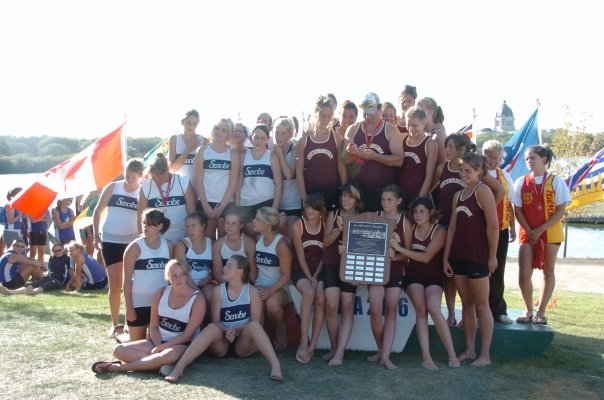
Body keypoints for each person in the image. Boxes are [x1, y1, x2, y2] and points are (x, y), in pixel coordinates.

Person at [164, 255, 283, 382]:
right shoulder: (218, 291)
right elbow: (216, 322)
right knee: (211, 327)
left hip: (243, 344)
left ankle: (275, 365)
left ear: (240, 271)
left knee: (254, 326)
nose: (224, 268)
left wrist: (237, 329)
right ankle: (179, 368)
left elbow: (256, 322)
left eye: (229, 266)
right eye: (225, 265)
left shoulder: (252, 291)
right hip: (222, 344)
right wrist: (226, 331)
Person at [91, 259, 205, 374]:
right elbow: (154, 326)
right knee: (118, 350)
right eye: (174, 275)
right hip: (157, 341)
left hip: (180, 345)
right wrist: (158, 345)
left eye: (182, 274)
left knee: (166, 355)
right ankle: (159, 365)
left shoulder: (198, 299)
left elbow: (187, 336)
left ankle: (117, 368)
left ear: (187, 276)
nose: (178, 279)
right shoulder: (160, 293)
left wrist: (160, 349)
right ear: (168, 278)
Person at [390, 197, 459, 370]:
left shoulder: (439, 231)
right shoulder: (410, 227)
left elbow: (427, 257)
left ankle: (452, 354)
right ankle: (426, 357)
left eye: (422, 211)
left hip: (434, 277)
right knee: (421, 309)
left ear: (430, 212)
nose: (418, 215)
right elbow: (405, 254)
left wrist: (400, 249)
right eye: (415, 212)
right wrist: (396, 256)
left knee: (434, 308)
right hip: (413, 276)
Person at [443, 153, 499, 367]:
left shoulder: (483, 191)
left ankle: (485, 355)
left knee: (482, 306)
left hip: (478, 256)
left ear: (479, 171)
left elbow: (493, 226)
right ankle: (469, 350)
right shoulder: (458, 195)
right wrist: (446, 257)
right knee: (466, 303)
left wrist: (492, 256)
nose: (463, 174)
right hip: (459, 256)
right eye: (461, 170)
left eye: (468, 170)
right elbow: (453, 228)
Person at [512, 145, 571, 325]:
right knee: (524, 273)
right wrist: (530, 230)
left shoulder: (556, 182)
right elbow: (517, 209)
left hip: (550, 233)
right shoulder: (521, 182)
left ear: (544, 159)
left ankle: (541, 311)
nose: (529, 161)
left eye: (533, 158)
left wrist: (540, 230)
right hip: (527, 233)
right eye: (527, 158)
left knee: (548, 271)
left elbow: (560, 210)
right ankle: (528, 309)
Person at [93, 158, 144, 338]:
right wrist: (96, 235)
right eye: (127, 176)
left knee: (133, 284)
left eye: (133, 177)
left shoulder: (143, 190)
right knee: (115, 284)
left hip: (132, 242)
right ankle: (115, 324)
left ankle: (133, 322)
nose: (129, 180)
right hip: (111, 240)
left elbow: (144, 217)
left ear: (141, 176)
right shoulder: (113, 187)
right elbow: (97, 211)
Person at [367, 184, 410, 370]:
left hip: (395, 270)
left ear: (399, 201)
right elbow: (363, 244)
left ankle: (385, 356)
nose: (385, 203)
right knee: (375, 310)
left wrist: (396, 256)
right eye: (383, 199)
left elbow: (408, 253)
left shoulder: (404, 222)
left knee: (391, 310)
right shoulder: (373, 217)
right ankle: (381, 349)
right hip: (375, 270)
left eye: (389, 199)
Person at [431, 132, 471, 327]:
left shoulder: (468, 171)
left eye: (451, 147)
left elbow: (493, 191)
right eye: (446, 146)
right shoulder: (442, 168)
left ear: (462, 150)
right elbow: (429, 190)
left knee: (461, 273)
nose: (447, 150)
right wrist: (433, 211)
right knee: (447, 273)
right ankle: (451, 313)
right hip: (444, 226)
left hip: (463, 228)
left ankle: (467, 314)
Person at [321, 182, 364, 366]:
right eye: (344, 196)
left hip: (351, 267)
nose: (346, 200)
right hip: (331, 264)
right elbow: (325, 242)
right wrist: (339, 229)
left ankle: (340, 352)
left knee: (347, 306)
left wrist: (349, 249)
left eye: (350, 196)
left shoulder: (362, 217)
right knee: (331, 306)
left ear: (357, 199)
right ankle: (334, 347)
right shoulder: (334, 214)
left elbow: (365, 247)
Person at [342, 92, 403, 212]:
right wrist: (350, 151)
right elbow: (343, 159)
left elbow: (399, 160)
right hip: (358, 193)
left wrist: (375, 156)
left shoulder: (391, 130)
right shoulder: (353, 129)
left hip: (382, 194)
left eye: (372, 112)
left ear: (380, 110)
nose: (368, 116)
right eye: (366, 112)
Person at [124, 209, 173, 341]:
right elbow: (127, 279)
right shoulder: (134, 247)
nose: (145, 227)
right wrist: (129, 307)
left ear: (160, 226)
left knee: (156, 345)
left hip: (160, 303)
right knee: (136, 345)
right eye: (144, 223)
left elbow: (171, 277)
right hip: (138, 303)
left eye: (150, 224)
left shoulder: (168, 246)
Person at [483, 140, 517, 324]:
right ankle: (478, 309)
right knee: (479, 270)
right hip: (479, 229)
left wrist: (513, 227)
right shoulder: (476, 173)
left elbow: (510, 203)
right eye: (493, 157)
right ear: (485, 156)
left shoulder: (504, 175)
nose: (496, 162)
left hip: (500, 229)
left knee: (497, 269)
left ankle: (498, 310)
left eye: (499, 158)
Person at [291, 193, 326, 364]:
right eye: (308, 207)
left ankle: (313, 344)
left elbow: (325, 255)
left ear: (321, 210)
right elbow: (300, 256)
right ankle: (303, 340)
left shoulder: (325, 225)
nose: (310, 211)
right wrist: (310, 276)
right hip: (301, 270)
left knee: (320, 297)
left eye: (314, 208)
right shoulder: (298, 225)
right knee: (309, 293)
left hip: (319, 271)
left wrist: (316, 275)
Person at [297, 95, 346, 212]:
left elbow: (341, 168)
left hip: (331, 192)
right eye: (322, 115)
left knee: (331, 222)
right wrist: (303, 196)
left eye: (329, 116)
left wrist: (344, 192)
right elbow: (299, 171)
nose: (325, 119)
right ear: (316, 114)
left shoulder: (336, 138)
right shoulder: (304, 140)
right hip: (311, 194)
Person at [252, 207, 292, 351]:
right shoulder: (258, 238)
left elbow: (287, 275)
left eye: (257, 219)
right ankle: (255, 340)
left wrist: (270, 290)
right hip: (260, 284)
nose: (253, 221)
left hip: (280, 287)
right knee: (254, 301)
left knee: (272, 305)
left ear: (268, 224)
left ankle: (280, 329)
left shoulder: (281, 245)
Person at [194, 117, 241, 239]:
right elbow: (198, 180)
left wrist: (221, 207)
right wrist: (205, 205)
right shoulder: (202, 151)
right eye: (217, 128)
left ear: (229, 134)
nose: (219, 132)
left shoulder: (233, 154)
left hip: (225, 203)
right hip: (205, 201)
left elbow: (233, 183)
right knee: (207, 237)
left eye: (224, 130)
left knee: (224, 237)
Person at [138, 153, 196, 243]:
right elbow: (141, 216)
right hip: (156, 240)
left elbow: (192, 214)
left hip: (181, 237)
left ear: (167, 171)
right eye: (153, 177)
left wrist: (191, 239)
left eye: (159, 177)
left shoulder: (183, 181)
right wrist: (143, 242)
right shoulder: (146, 185)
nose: (156, 180)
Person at [237, 125, 282, 235]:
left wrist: (274, 209)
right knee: (251, 238)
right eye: (256, 137)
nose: (259, 141)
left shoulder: (272, 156)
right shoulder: (244, 156)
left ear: (267, 139)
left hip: (266, 202)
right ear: (251, 138)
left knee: (263, 238)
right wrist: (238, 206)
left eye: (263, 138)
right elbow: (238, 183)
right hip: (246, 204)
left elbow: (278, 184)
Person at [398, 106, 438, 211]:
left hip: (417, 193)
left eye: (415, 125)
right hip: (400, 194)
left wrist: (419, 198)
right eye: (408, 124)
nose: (411, 128)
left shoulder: (430, 144)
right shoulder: (402, 138)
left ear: (424, 122)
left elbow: (429, 175)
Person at [174, 211, 215, 304]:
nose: (190, 230)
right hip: (186, 284)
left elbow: (215, 270)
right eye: (187, 226)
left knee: (212, 293)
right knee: (196, 298)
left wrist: (209, 279)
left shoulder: (211, 244)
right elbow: (182, 274)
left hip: (205, 285)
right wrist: (198, 293)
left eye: (193, 226)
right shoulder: (181, 245)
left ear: (203, 226)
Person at [212, 205, 258, 284]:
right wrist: (230, 286)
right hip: (225, 283)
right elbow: (217, 273)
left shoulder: (249, 243)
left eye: (233, 223)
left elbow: (253, 272)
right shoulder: (218, 244)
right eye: (227, 223)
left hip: (245, 283)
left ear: (241, 225)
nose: (229, 226)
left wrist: (243, 287)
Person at [273, 117, 302, 238]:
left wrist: (280, 155)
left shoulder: (294, 149)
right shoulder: (271, 150)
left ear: (290, 134)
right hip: (277, 203)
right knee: (278, 240)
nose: (279, 136)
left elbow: (290, 175)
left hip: (292, 204)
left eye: (283, 133)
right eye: (276, 132)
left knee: (290, 239)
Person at [168, 109, 207, 181]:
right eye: (188, 123)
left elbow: (206, 170)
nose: (191, 126)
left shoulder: (203, 141)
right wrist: (188, 149)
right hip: (179, 185)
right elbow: (172, 168)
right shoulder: (175, 139)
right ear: (182, 122)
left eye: (195, 124)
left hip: (197, 185)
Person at [417, 97, 446, 163]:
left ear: (430, 112)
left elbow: (442, 163)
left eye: (419, 110)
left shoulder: (439, 134)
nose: (416, 113)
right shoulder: (423, 132)